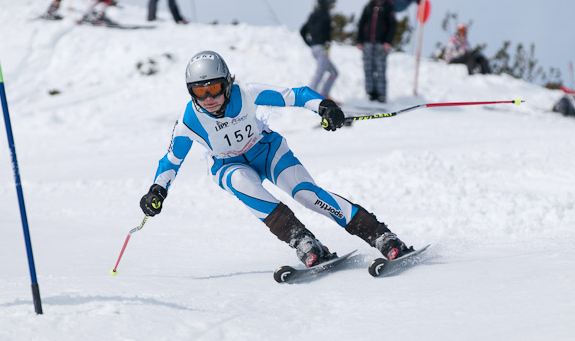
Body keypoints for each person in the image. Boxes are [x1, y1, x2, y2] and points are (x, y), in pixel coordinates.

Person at [139, 51, 414, 268]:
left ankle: (379, 234)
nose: (209, 98)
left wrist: (326, 107)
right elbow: (171, 161)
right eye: (200, 91)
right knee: (242, 183)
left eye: (214, 88)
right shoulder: (189, 121)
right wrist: (157, 190)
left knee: (306, 194)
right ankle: (303, 242)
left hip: (267, 150)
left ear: (228, 83)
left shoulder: (246, 93)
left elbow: (297, 95)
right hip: (228, 165)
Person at [356, 0, 420, 103]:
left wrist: (388, 42)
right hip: (367, 43)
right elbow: (361, 23)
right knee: (368, 68)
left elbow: (392, 25)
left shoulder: (388, 7)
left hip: (381, 44)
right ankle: (370, 93)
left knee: (380, 69)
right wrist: (359, 40)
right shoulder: (368, 7)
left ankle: (381, 94)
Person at [300, 0, 338, 98]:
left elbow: (303, 31)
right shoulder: (324, 16)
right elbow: (324, 34)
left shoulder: (314, 15)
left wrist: (311, 44)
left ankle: (324, 94)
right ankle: (309, 95)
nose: (331, 5)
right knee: (321, 71)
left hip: (317, 48)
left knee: (333, 72)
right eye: (330, 3)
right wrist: (321, 44)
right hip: (321, 48)